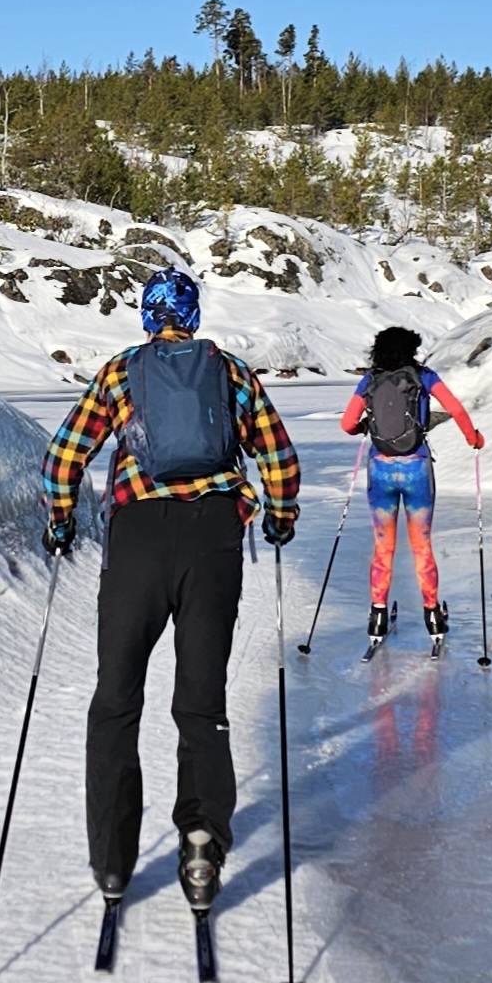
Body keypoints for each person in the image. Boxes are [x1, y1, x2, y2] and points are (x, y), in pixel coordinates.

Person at [39, 268, 300, 920]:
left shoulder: (120, 373)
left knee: (116, 698)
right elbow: (278, 456)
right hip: (212, 538)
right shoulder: (229, 371)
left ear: (146, 317)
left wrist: (60, 521)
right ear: (194, 315)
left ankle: (112, 861)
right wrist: (280, 514)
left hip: (138, 540)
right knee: (200, 701)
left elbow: (63, 458)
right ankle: (202, 839)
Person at [340, 325, 482, 653]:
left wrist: (363, 427)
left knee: (383, 547)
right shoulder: (424, 376)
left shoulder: (370, 379)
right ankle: (433, 617)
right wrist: (473, 438)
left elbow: (347, 424)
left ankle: (377, 617)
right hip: (416, 467)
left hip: (380, 469)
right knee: (421, 546)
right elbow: (456, 408)